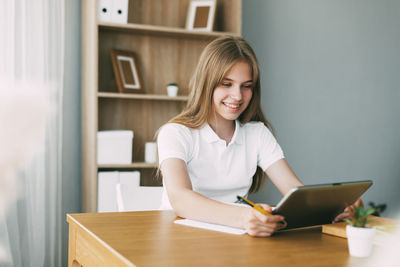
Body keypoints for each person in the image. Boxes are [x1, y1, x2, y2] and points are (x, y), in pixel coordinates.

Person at [157, 35, 354, 237]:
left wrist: (333, 207)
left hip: (234, 237)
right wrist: (244, 217)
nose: (237, 96)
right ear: (207, 83)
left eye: (247, 86)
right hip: (179, 236)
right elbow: (180, 199)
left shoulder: (257, 133)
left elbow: (295, 192)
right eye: (227, 84)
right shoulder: (175, 133)